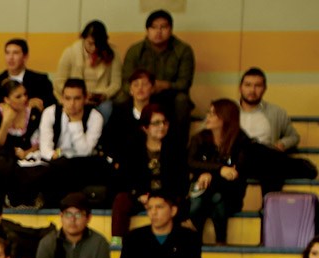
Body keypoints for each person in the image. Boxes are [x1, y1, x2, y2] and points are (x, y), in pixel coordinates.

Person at [110, 105, 189, 238]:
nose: (162, 126)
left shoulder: (175, 148)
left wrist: (161, 197)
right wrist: (139, 194)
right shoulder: (132, 147)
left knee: (180, 203)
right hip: (141, 195)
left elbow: (181, 181)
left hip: (165, 196)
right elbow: (124, 179)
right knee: (121, 200)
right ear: (145, 128)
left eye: (165, 122)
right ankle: (117, 241)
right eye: (156, 123)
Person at [189, 99, 254, 245]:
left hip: (230, 193)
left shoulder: (241, 141)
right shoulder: (199, 138)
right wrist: (218, 170)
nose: (208, 117)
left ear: (225, 117)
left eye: (213, 114)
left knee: (216, 197)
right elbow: (190, 162)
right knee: (207, 199)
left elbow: (235, 174)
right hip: (204, 190)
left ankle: (198, 241)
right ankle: (215, 241)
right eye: (208, 113)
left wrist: (209, 174)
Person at [119, 10, 195, 135]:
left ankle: (179, 147)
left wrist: (165, 85)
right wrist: (139, 90)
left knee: (182, 101)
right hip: (142, 94)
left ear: (170, 29)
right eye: (154, 27)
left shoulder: (183, 50)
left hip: (169, 94)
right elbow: (126, 81)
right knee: (120, 99)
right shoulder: (135, 50)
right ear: (147, 30)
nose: (158, 32)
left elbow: (185, 83)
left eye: (163, 27)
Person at [35, 79, 109, 206]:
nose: (72, 104)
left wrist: (75, 122)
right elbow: (45, 148)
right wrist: (57, 157)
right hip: (57, 161)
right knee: (54, 169)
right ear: (62, 98)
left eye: (77, 98)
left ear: (85, 99)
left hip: (84, 163)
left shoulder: (95, 116)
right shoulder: (50, 112)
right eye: (67, 98)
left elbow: (85, 151)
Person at [54, 21, 120, 120]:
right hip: (75, 96)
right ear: (83, 38)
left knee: (106, 108)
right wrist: (78, 94)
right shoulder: (70, 53)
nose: (94, 48)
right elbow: (59, 81)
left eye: (98, 44)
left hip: (100, 99)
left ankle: (97, 134)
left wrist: (104, 95)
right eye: (90, 43)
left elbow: (116, 83)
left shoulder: (112, 53)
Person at [238, 67, 301, 152]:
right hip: (234, 162)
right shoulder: (227, 111)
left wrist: (282, 144)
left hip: (266, 161)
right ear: (240, 88)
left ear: (264, 89)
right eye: (248, 85)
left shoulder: (277, 113)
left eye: (258, 86)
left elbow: (294, 137)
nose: (252, 90)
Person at [103, 70, 158, 157]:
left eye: (144, 84)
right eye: (136, 85)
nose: (140, 88)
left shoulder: (160, 112)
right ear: (130, 90)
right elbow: (110, 139)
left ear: (152, 89)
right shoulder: (119, 111)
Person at [0, 38, 55, 110]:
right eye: (7, 53)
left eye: (15, 53)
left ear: (25, 57)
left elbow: (53, 106)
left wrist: (40, 103)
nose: (10, 57)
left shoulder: (41, 81)